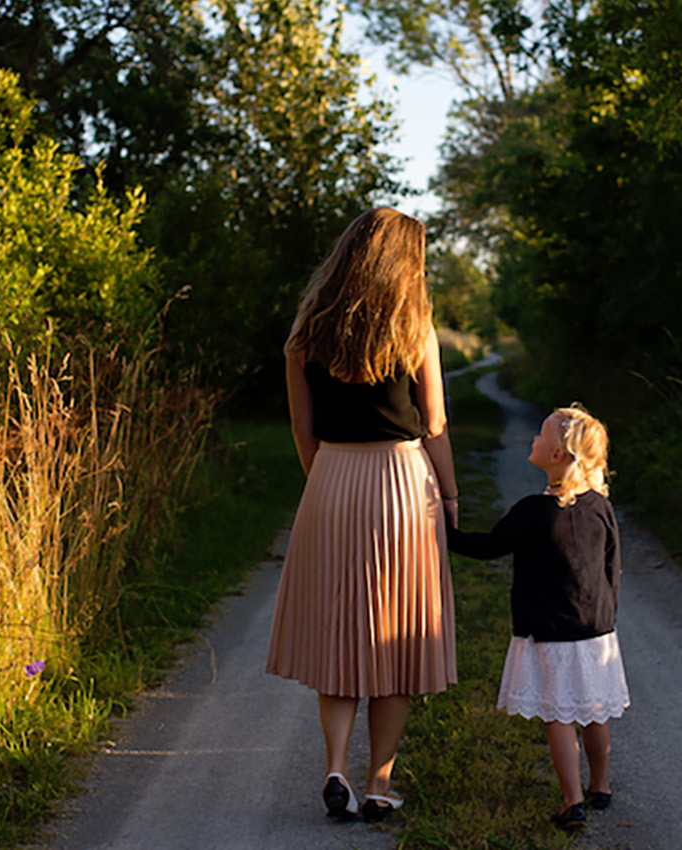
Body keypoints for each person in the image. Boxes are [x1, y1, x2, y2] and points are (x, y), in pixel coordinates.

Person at [264, 207, 460, 824]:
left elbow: (301, 425)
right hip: (402, 482)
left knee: (340, 634)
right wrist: (450, 497)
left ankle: (335, 769)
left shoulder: (306, 330)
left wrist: (322, 480)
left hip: (331, 479)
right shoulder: (414, 327)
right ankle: (380, 781)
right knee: (396, 635)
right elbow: (433, 425)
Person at [446, 404, 628, 831]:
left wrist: (443, 533)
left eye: (540, 434)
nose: (533, 437)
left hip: (551, 630)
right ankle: (600, 786)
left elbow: (489, 546)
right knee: (595, 709)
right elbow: (611, 566)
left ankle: (572, 801)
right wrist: (607, 616)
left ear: (557, 456)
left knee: (560, 715)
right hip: (596, 629)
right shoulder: (601, 507)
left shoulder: (532, 511)